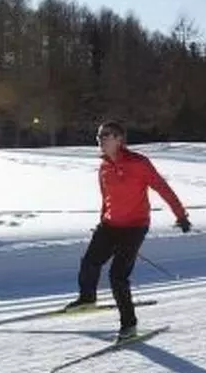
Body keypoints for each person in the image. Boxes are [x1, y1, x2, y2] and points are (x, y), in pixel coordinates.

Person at [67, 120, 191, 340]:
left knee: (117, 276)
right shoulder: (104, 167)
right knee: (90, 262)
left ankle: (129, 325)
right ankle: (87, 298)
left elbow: (163, 188)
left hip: (135, 226)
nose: (100, 140)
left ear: (119, 139)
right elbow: (106, 199)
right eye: (99, 136)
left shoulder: (138, 163)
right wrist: (102, 221)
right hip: (109, 225)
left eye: (106, 135)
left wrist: (181, 215)